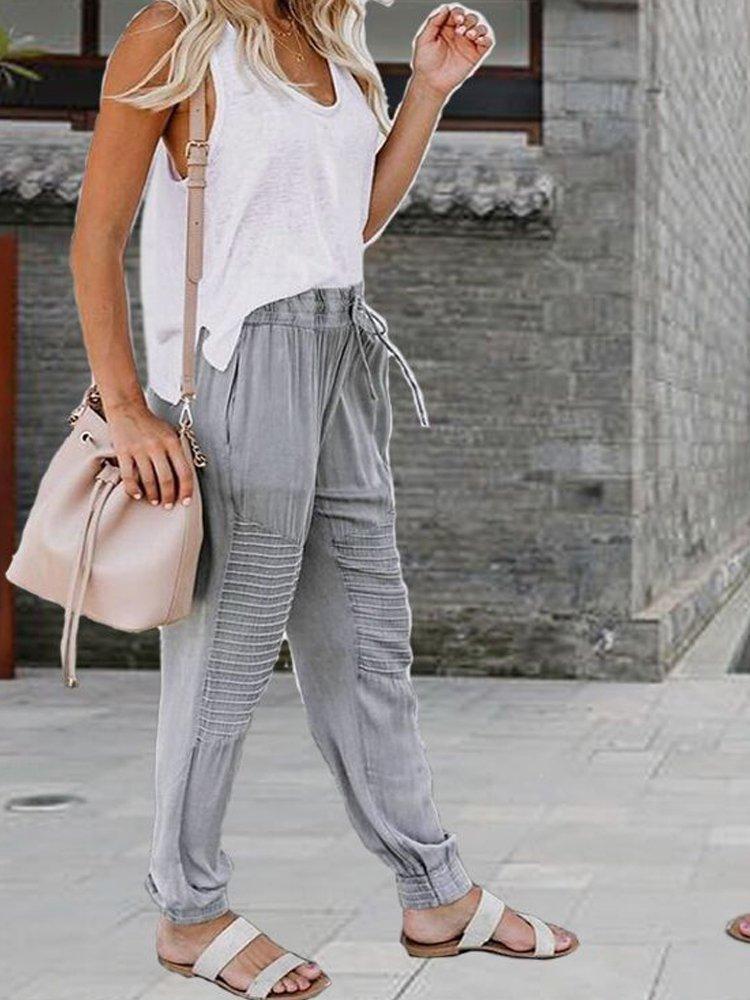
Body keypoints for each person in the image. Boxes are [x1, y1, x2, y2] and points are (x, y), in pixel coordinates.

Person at [69, 0, 578, 995]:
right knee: (227, 653)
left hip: (344, 351)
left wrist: (428, 92)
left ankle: (435, 889)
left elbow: (351, 223)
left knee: (366, 638)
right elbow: (96, 237)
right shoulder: (176, 32)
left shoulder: (337, 49)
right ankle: (189, 910)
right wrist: (126, 407)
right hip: (238, 362)